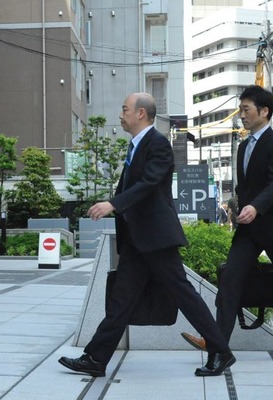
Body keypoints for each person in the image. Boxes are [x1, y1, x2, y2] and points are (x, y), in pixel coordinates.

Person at [58, 93, 235, 378]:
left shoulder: (158, 144)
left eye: (124, 109)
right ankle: (95, 358)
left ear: (141, 113)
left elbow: (149, 183)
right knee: (121, 300)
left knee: (183, 293)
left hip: (156, 237)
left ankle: (221, 351)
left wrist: (112, 204)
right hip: (138, 239)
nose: (120, 114)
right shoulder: (136, 146)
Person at [180, 86, 273, 362]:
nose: (241, 115)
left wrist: (256, 206)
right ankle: (217, 340)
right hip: (248, 229)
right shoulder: (244, 145)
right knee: (230, 278)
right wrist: (242, 208)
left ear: (264, 112)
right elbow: (246, 187)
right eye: (241, 109)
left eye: (246, 109)